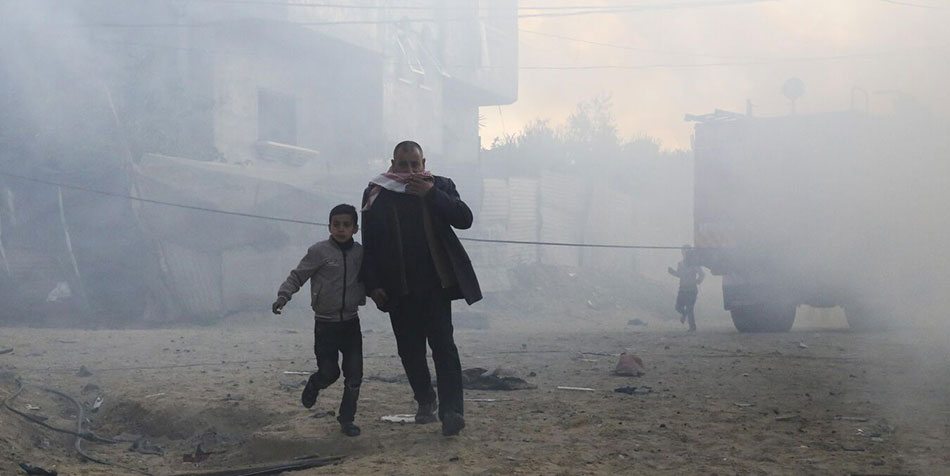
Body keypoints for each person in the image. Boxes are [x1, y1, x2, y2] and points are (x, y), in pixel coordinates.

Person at [361, 140, 481, 437]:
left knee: (444, 347)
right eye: (403, 164)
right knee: (410, 351)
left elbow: (464, 219)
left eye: (415, 164)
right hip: (398, 287)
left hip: (436, 285)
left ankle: (452, 412)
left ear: (424, 163)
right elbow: (370, 242)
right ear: (393, 164)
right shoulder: (378, 192)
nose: (410, 170)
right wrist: (372, 285)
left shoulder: (440, 186)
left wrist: (431, 194)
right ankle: (425, 399)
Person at [272, 204, 365, 437]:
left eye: (346, 225)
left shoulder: (360, 253)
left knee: (354, 375)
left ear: (355, 228)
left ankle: (347, 419)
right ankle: (315, 384)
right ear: (329, 227)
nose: (341, 229)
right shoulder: (319, 252)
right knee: (330, 372)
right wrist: (283, 296)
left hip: (351, 322)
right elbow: (298, 276)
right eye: (336, 224)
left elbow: (372, 278)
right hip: (325, 324)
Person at [668, 245, 705, 331]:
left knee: (690, 308)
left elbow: (702, 274)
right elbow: (679, 275)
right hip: (682, 289)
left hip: (692, 289)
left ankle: (692, 327)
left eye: (687, 252)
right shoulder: (680, 264)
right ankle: (684, 314)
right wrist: (672, 272)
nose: (685, 254)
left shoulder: (695, 264)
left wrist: (698, 280)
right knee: (678, 307)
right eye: (684, 252)